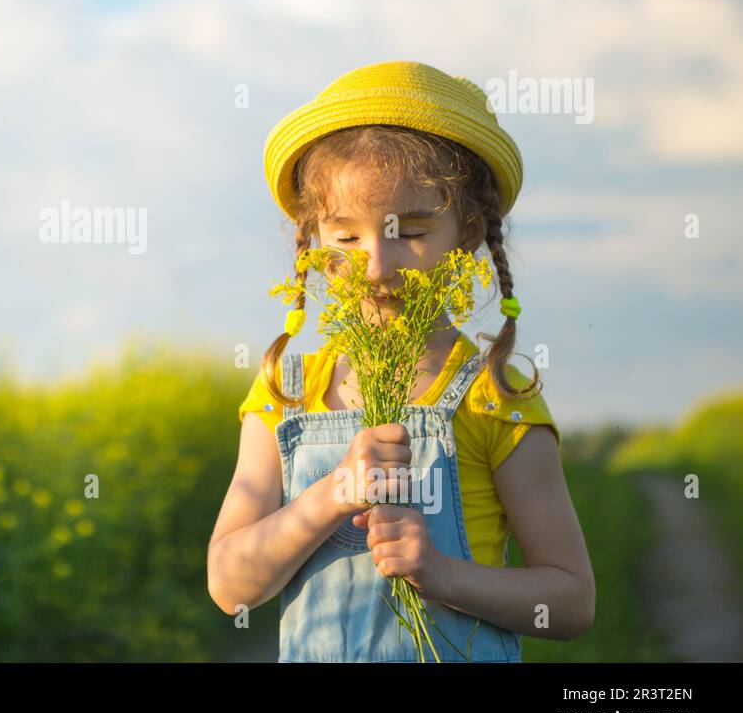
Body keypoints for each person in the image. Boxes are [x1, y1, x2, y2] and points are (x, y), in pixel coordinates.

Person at [207, 60, 595, 661]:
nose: (378, 266)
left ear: (466, 234)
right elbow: (231, 586)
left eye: (410, 231)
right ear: (311, 238)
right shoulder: (283, 393)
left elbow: (571, 601)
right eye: (346, 238)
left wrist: (439, 575)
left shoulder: (492, 393)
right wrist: (333, 493)